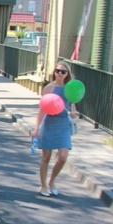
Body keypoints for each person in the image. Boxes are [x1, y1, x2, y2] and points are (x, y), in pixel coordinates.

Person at [32, 61, 78, 197]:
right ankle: (43, 185)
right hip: (49, 123)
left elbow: (72, 105)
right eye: (57, 71)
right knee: (46, 156)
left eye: (63, 72)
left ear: (67, 74)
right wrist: (36, 129)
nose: (59, 73)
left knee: (63, 156)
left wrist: (73, 112)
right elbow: (42, 109)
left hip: (63, 124)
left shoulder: (70, 88)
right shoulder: (48, 88)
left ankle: (52, 180)